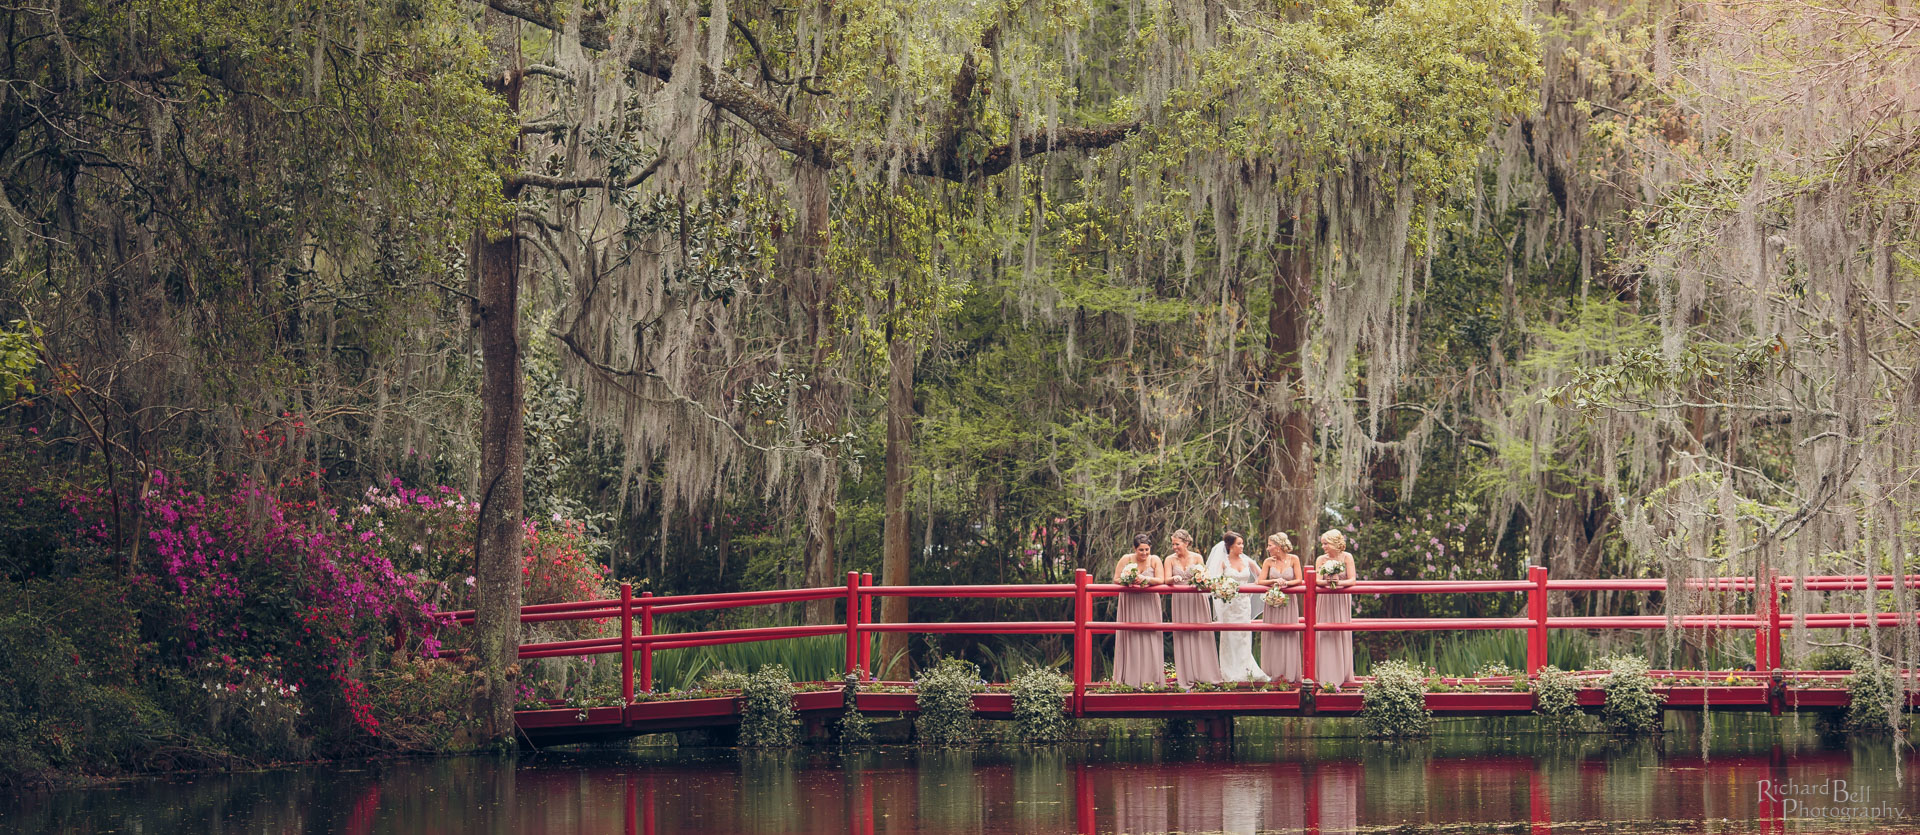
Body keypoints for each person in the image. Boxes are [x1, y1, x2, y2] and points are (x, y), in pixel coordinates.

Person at [1206, 531, 1270, 683]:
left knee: (1243, 636)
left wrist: (1251, 586)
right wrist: (1226, 588)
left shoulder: (1247, 561)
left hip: (1243, 604)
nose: (1242, 546)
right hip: (1229, 605)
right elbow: (1215, 583)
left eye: (1242, 543)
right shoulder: (1223, 562)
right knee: (1230, 636)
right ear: (1230, 546)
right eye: (1239, 544)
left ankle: (1247, 669)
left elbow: (1261, 577)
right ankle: (1230, 671)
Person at [1163, 529, 1222, 688]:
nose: (1174, 547)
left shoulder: (1197, 557)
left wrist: (1200, 579)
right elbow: (1165, 578)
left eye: (1177, 544)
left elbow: (1206, 577)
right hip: (1180, 600)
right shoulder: (1169, 559)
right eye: (1173, 544)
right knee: (1183, 635)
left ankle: (1205, 674)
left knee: (1200, 633)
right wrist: (1172, 579)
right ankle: (1187, 675)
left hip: (1197, 598)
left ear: (1186, 543)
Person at [1110, 533, 1166, 687]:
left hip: (1149, 602)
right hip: (1130, 601)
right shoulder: (1126, 559)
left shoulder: (1155, 560)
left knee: (1150, 635)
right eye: (1141, 550)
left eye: (1147, 549)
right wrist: (1128, 580)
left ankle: (1151, 678)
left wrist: (1145, 579)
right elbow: (1116, 579)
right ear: (1135, 549)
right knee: (1131, 635)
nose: (1144, 553)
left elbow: (1160, 579)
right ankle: (1129, 677)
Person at [1314, 529, 1359, 688]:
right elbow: (1317, 580)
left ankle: (1342, 673)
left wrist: (1338, 583)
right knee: (1324, 632)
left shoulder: (1347, 557)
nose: (1324, 546)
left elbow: (1352, 580)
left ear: (1335, 543)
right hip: (1326, 598)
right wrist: (1328, 582)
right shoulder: (1321, 559)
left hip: (1341, 598)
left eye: (1326, 543)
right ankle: (1323, 673)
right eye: (1322, 544)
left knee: (1340, 631)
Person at [1258, 532, 1304, 682]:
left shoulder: (1294, 559)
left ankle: (1290, 673)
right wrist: (1274, 582)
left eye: (1270, 545)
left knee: (1289, 633)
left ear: (1278, 547)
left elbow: (1299, 579)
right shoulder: (1268, 562)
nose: (1268, 548)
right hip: (1272, 602)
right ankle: (1272, 673)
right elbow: (1260, 581)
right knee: (1273, 634)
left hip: (1289, 602)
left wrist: (1286, 583)